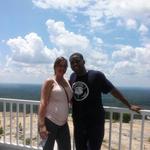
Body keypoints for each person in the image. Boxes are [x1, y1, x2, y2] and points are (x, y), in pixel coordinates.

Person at [69, 52, 141, 150]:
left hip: (95, 124)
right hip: (79, 124)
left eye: (77, 61)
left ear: (84, 62)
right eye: (72, 63)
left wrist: (128, 105)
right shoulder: (72, 77)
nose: (74, 64)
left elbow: (112, 90)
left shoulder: (96, 76)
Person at [38, 56, 72, 150]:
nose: (62, 68)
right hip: (50, 122)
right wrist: (41, 125)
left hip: (63, 124)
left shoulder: (68, 82)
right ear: (55, 67)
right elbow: (43, 102)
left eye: (65, 66)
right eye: (60, 65)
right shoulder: (50, 82)